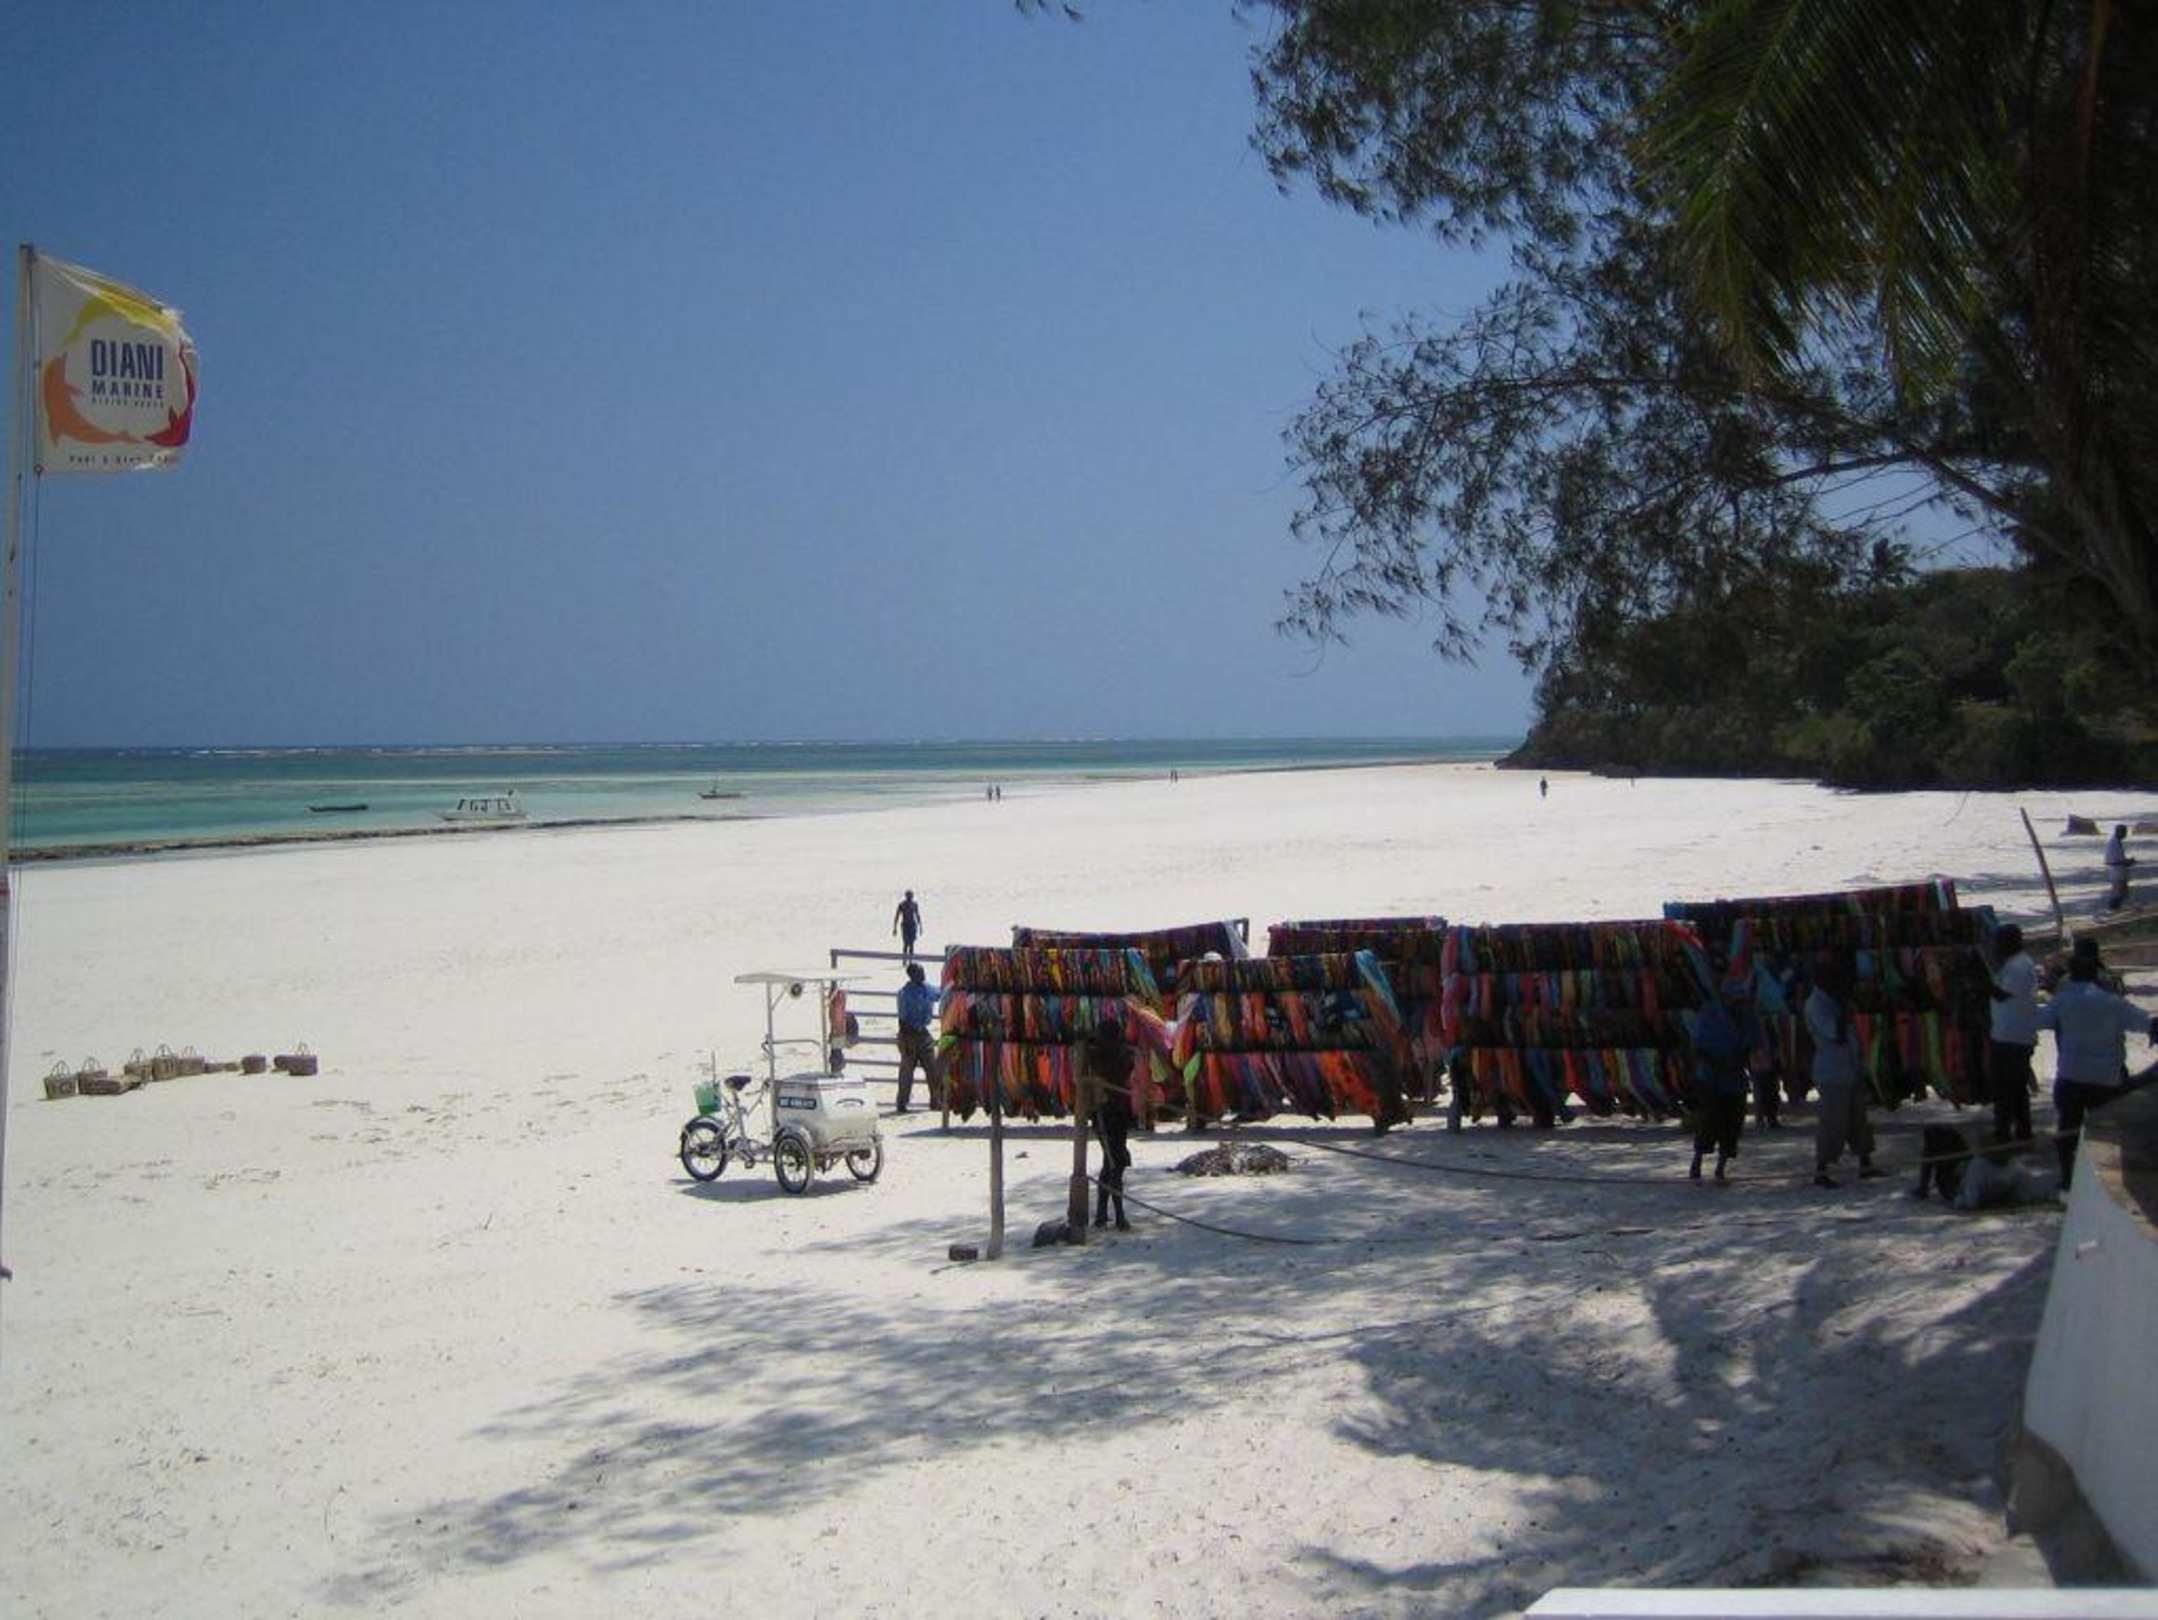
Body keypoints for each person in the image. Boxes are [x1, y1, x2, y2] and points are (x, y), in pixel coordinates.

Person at [2036, 936, 2158, 1193]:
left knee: (2067, 1129)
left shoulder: (2062, 996)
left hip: (2070, 1075)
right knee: (2108, 1134)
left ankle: (2067, 1179)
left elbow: (2041, 1020)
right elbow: (2145, 1023)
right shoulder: (2111, 998)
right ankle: (2105, 1185)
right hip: (2106, 1078)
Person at [1804, 958, 1881, 1187]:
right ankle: (1821, 1171)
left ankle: (1866, 1164)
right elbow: (1835, 1034)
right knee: (1832, 1122)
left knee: (1859, 1119)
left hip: (1851, 1067)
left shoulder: (1834, 1000)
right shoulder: (1816, 1004)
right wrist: (1845, 1010)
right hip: (1832, 1071)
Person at [1688, 966, 1758, 1184]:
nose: (1738, 1005)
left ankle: (1721, 1168)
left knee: (1733, 1124)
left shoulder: (1748, 1016)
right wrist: (1717, 1064)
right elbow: (1697, 1047)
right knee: (1709, 1120)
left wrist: (1741, 1060)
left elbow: (1753, 1044)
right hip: (1709, 1077)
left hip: (1735, 1078)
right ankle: (1697, 1161)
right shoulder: (1708, 1013)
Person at [1985, 924, 2038, 1143]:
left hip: (2012, 1037)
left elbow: (2001, 995)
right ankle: (2021, 1130)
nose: (1996, 947)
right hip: (2009, 1034)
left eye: (1999, 942)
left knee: (2005, 1087)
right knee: (2014, 1088)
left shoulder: (2019, 967)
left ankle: (2005, 1131)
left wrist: (1981, 981)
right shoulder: (2014, 963)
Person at [1081, 1018, 1136, 1230]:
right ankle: (1118, 1215)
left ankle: (1102, 1214)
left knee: (1111, 1161)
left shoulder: (1106, 1054)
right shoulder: (1098, 1057)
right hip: (1105, 1112)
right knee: (1115, 1162)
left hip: (1117, 1112)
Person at [893, 961, 940, 1114]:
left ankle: (936, 1100)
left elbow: (941, 994)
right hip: (909, 1033)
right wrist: (905, 1040)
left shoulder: (927, 988)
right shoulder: (904, 993)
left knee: (933, 1068)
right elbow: (902, 1018)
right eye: (919, 973)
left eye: (922, 972)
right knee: (907, 1071)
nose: (922, 975)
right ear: (912, 975)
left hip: (922, 1032)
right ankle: (902, 1103)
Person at [2104, 825, 2134, 911]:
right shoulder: (2113, 843)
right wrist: (2127, 862)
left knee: (2122, 891)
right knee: (2118, 892)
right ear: (2119, 832)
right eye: (2124, 832)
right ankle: (2113, 909)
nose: (2125, 834)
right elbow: (2113, 860)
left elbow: (2116, 858)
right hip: (2116, 871)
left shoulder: (2115, 842)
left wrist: (2127, 861)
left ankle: (2119, 908)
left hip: (2118, 870)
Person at [892, 889, 922, 960]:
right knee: (905, 943)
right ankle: (905, 959)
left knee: (911, 944)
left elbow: (917, 915)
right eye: (908, 896)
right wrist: (895, 928)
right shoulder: (902, 905)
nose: (909, 898)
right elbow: (897, 916)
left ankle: (910, 960)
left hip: (912, 925)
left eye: (911, 896)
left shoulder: (914, 904)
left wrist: (920, 926)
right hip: (905, 925)